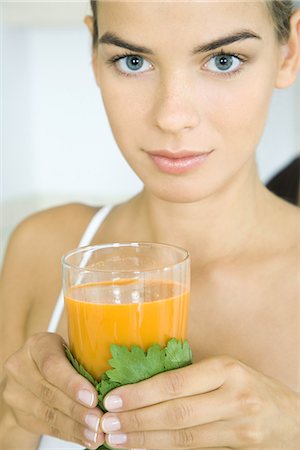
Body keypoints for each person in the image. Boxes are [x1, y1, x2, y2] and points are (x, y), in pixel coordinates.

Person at [1, 1, 300, 449]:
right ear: (94, 54)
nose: (172, 116)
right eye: (133, 61)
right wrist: (13, 420)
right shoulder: (42, 248)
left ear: (288, 52)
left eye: (224, 60)